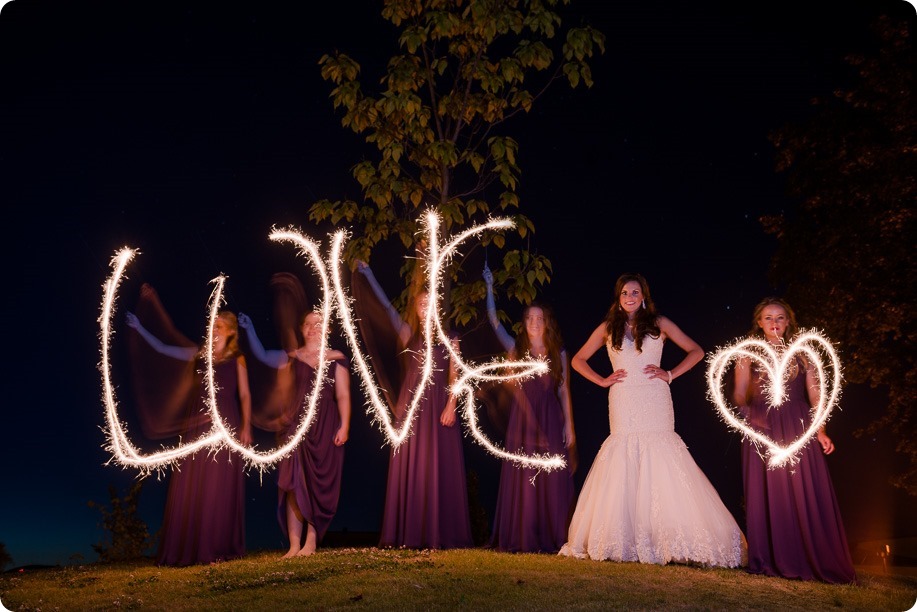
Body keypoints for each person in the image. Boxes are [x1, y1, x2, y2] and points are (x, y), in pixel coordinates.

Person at [559, 274, 745, 567]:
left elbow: (697, 351)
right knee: (623, 456)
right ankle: (626, 538)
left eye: (635, 292)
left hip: (655, 399)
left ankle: (669, 538)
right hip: (623, 399)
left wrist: (670, 374)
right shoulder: (609, 327)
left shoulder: (660, 323)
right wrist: (602, 380)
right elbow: (577, 360)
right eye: (624, 292)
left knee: (661, 456)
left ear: (643, 296)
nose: (629, 296)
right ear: (618, 298)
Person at [126, 284, 252, 566]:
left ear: (231, 331)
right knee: (194, 483)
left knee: (218, 484)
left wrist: (246, 426)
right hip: (198, 424)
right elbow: (162, 347)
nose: (215, 329)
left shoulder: (238, 359)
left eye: (220, 325)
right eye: (213, 324)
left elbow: (244, 394)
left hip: (227, 421)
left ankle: (217, 544)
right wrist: (140, 327)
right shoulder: (198, 354)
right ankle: (189, 548)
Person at [733, 297, 857, 583]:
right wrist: (748, 414)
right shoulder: (747, 354)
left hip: (797, 426)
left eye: (779, 318)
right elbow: (739, 393)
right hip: (761, 427)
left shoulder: (803, 353)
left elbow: (816, 397)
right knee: (770, 491)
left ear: (788, 322)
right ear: (759, 323)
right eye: (768, 318)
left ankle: (809, 556)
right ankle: (771, 558)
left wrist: (821, 430)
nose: (774, 323)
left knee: (803, 490)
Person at [354, 260, 473, 549]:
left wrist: (451, 405)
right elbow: (386, 308)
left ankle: (441, 533)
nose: (425, 309)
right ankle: (409, 532)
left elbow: (456, 375)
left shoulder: (452, 338)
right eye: (421, 305)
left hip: (438, 406)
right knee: (413, 467)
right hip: (412, 407)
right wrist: (369, 273)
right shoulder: (409, 333)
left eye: (430, 304)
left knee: (437, 466)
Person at [239, 309, 351, 558]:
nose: (312, 328)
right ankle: (293, 544)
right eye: (308, 324)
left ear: (328, 329)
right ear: (302, 329)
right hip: (294, 428)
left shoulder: (336, 358)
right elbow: (261, 355)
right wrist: (250, 329)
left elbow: (342, 395)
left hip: (324, 426)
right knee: (292, 484)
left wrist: (345, 425)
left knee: (315, 484)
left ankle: (311, 542)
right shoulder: (290, 357)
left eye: (318, 323)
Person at [483, 264, 575, 553]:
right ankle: (522, 535)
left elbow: (563, 391)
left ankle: (553, 535)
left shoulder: (559, 353)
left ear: (547, 322)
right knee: (524, 480)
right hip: (523, 422)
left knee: (553, 479)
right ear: (524, 323)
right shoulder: (516, 350)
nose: (535, 322)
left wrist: (569, 426)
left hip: (550, 417)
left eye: (540, 318)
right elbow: (494, 322)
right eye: (529, 318)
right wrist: (489, 287)